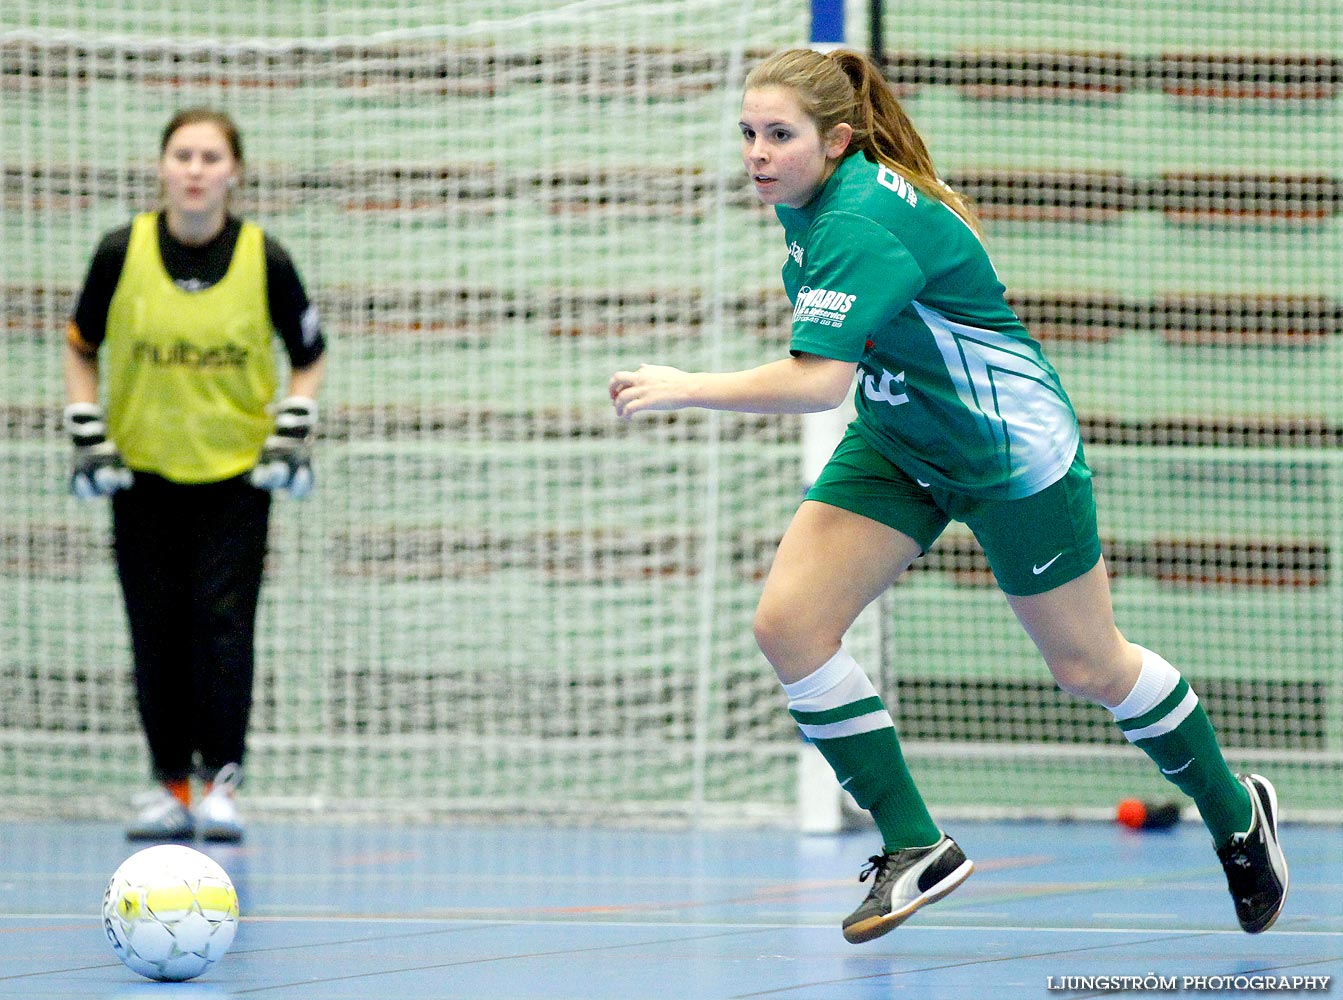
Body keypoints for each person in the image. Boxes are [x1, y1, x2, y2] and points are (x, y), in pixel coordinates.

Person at [609, 48, 1287, 942]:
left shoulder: (855, 219)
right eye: (748, 134)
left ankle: (1233, 808)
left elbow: (816, 383)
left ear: (836, 140)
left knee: (1087, 667)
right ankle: (914, 844)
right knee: (789, 627)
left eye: (780, 135)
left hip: (1005, 453)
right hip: (898, 435)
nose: (757, 154)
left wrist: (683, 384)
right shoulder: (814, 204)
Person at [64, 108, 327, 843]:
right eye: (183, 154)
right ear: (161, 166)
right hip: (141, 475)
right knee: (155, 631)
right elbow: (81, 345)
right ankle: (168, 784)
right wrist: (86, 429)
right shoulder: (121, 252)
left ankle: (223, 785)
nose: (196, 169)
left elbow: (309, 352)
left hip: (235, 480)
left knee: (223, 629)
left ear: (234, 171)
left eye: (211, 156)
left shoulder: (264, 259)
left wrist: (293, 427)